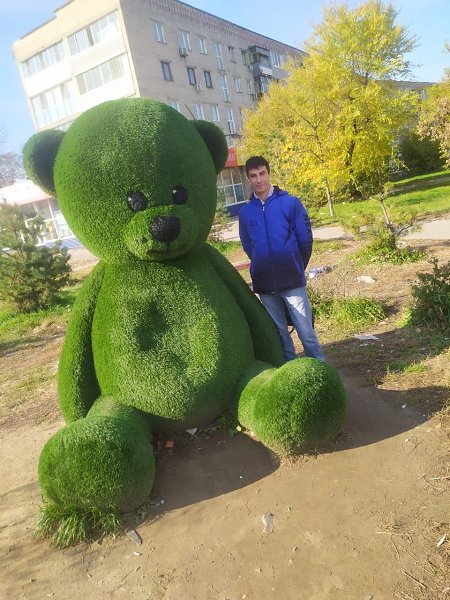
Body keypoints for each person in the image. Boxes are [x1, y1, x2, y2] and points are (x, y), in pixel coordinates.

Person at [238, 156, 325, 362]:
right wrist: (262, 264)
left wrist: (296, 265)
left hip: (292, 280)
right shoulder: (245, 212)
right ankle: (290, 371)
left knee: (306, 332)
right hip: (265, 284)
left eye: (262, 174)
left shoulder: (290, 203)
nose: (259, 180)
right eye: (253, 176)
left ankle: (320, 370)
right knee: (280, 334)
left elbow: (305, 240)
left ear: (269, 174)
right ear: (248, 179)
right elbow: (248, 245)